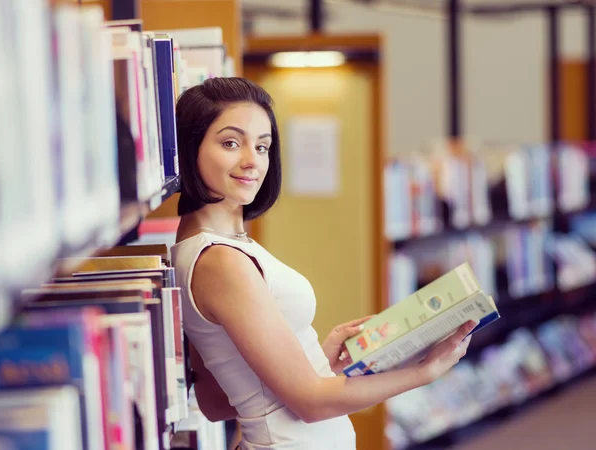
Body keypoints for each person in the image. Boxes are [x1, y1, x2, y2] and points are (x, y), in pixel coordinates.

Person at [170, 77, 474, 450]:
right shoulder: (220, 261)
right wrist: (423, 371)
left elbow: (218, 402)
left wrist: (317, 360)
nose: (252, 160)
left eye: (263, 146)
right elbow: (310, 403)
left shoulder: (206, 248)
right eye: (231, 143)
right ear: (190, 148)